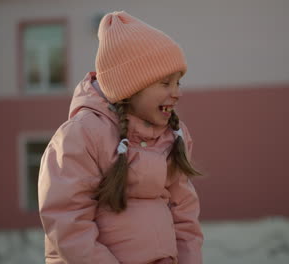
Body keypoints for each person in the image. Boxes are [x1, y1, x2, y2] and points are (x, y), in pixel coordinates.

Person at [38, 10, 204, 264]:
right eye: (165, 83)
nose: (176, 93)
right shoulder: (81, 136)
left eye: (178, 83)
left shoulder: (173, 136)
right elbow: (67, 223)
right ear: (131, 86)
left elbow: (185, 218)